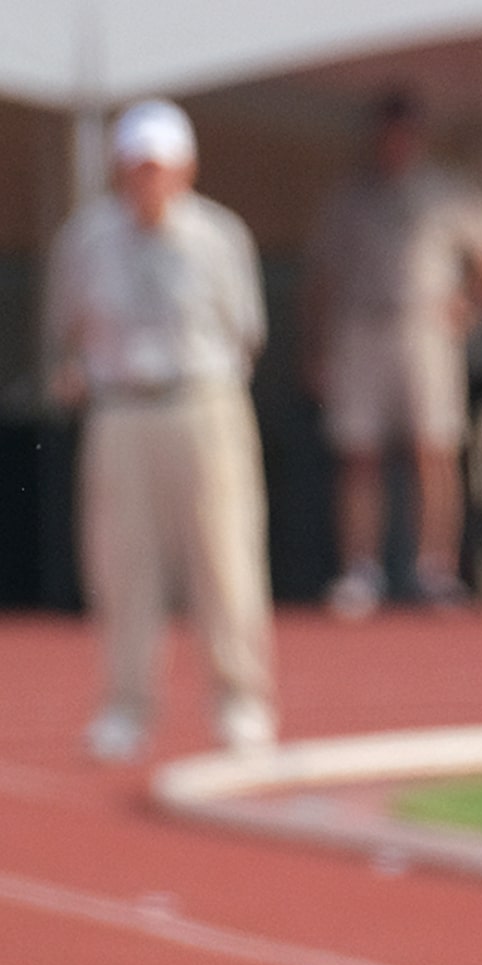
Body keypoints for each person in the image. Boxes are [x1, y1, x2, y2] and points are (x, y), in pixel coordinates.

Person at [44, 98, 276, 762]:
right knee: (122, 564)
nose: (147, 181)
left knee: (224, 556)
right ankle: (125, 705)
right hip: (121, 410)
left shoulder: (218, 236)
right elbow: (66, 326)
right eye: (136, 167)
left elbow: (246, 330)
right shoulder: (85, 240)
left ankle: (242, 701)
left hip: (203, 404)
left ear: (185, 169)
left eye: (159, 167)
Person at [306, 90, 482, 614]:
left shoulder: (446, 191)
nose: (394, 143)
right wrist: (316, 351)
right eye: (387, 131)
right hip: (361, 326)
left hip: (424, 327)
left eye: (404, 132)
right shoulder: (350, 198)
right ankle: (361, 570)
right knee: (359, 453)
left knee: (434, 450)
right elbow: (321, 279)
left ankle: (435, 570)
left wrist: (472, 304)